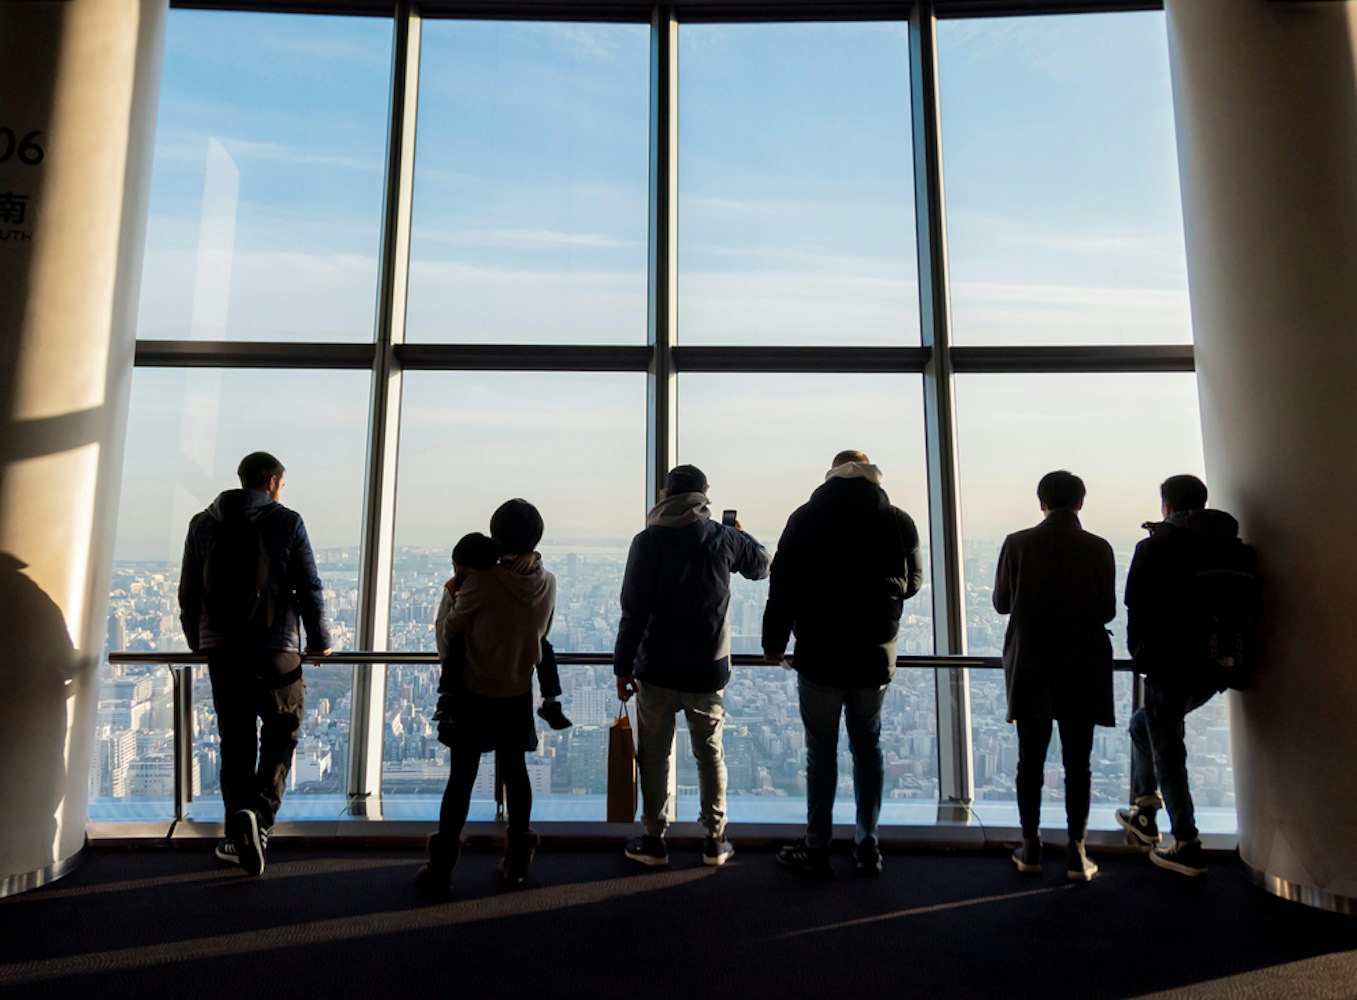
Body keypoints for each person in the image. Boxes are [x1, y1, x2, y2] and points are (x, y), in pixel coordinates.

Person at [762, 450, 923, 877]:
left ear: (830, 474)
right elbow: (914, 584)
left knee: (821, 751)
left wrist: (773, 642)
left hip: (820, 653)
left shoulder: (805, 518)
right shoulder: (899, 521)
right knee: (868, 747)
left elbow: (783, 586)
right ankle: (867, 844)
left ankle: (817, 846)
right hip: (874, 654)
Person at [178, 451, 332, 876]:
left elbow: (188, 592)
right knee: (282, 731)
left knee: (236, 741)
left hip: (223, 650)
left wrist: (198, 641)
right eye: (281, 484)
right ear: (271, 483)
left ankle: (235, 833)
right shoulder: (287, 521)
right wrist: (320, 641)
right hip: (276, 647)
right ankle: (259, 821)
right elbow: (309, 587)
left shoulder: (202, 523)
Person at [614, 465, 770, 868]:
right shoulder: (722, 538)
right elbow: (762, 566)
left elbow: (632, 611)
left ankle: (653, 839)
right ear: (704, 497)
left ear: (665, 496)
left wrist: (622, 667)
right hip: (707, 670)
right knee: (710, 754)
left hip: (656, 669)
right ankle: (715, 840)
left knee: (654, 755)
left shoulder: (646, 542)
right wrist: (740, 532)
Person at [1118, 474, 1258, 877]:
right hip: (1217, 663)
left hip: (1169, 662)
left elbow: (1137, 606)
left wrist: (1141, 654)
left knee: (1167, 746)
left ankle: (1186, 842)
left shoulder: (1157, 548)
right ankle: (1145, 810)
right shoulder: (1236, 551)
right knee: (1144, 727)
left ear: (1167, 506)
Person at [417, 500, 557, 893]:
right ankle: (516, 863)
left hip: (474, 694)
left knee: (461, 780)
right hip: (516, 693)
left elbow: (450, 631)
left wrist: (455, 591)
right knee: (517, 774)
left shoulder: (481, 582)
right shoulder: (548, 583)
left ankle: (441, 867)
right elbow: (541, 635)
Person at [993, 470, 1114, 882]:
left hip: (1031, 663)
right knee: (1078, 763)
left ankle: (1030, 847)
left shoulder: (1018, 544)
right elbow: (1108, 610)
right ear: (1080, 503)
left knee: (1031, 761)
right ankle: (1078, 853)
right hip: (1082, 663)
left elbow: (1001, 603)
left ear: (1040, 502)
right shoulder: (1099, 547)